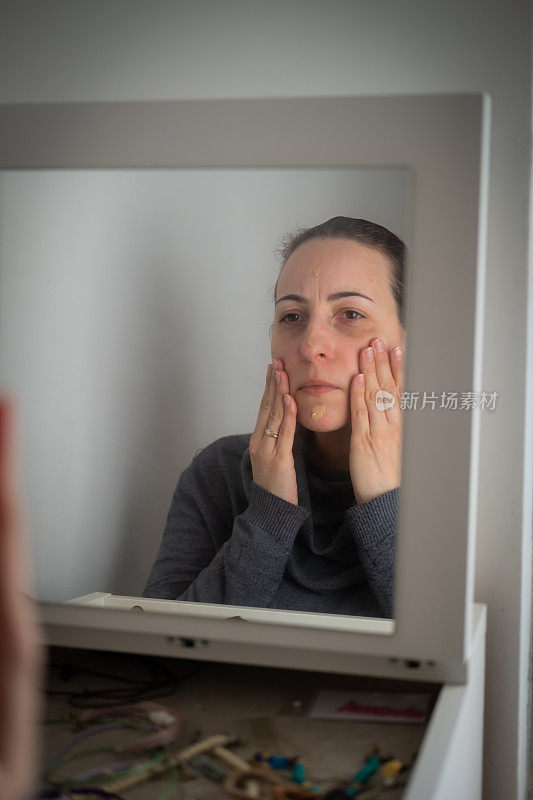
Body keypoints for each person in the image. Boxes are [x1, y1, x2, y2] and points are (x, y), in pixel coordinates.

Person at [143, 217, 406, 618]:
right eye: (292, 317)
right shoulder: (218, 473)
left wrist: (383, 502)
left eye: (350, 314)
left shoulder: (461, 489)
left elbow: (450, 651)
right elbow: (155, 650)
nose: (311, 345)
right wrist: (269, 513)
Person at [0, 396, 42, 800]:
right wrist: (267, 506)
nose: (292, 347)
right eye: (286, 324)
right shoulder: (214, 469)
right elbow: (159, 623)